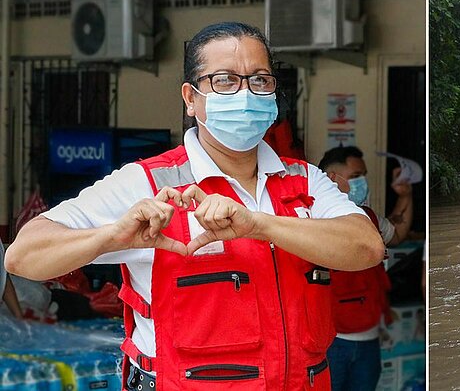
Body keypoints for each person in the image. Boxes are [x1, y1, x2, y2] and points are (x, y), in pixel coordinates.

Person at [3, 22, 384, 390]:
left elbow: (366, 247)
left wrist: (258, 225)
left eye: (260, 80)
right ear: (190, 98)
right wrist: (111, 237)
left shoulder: (304, 180)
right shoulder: (148, 183)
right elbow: (23, 256)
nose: (246, 93)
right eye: (225, 80)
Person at [318, 146, 415, 391]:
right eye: (355, 177)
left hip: (369, 339)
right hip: (330, 342)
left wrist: (406, 196)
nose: (362, 182)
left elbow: (397, 235)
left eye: (363, 175)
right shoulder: (309, 221)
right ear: (331, 179)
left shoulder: (367, 217)